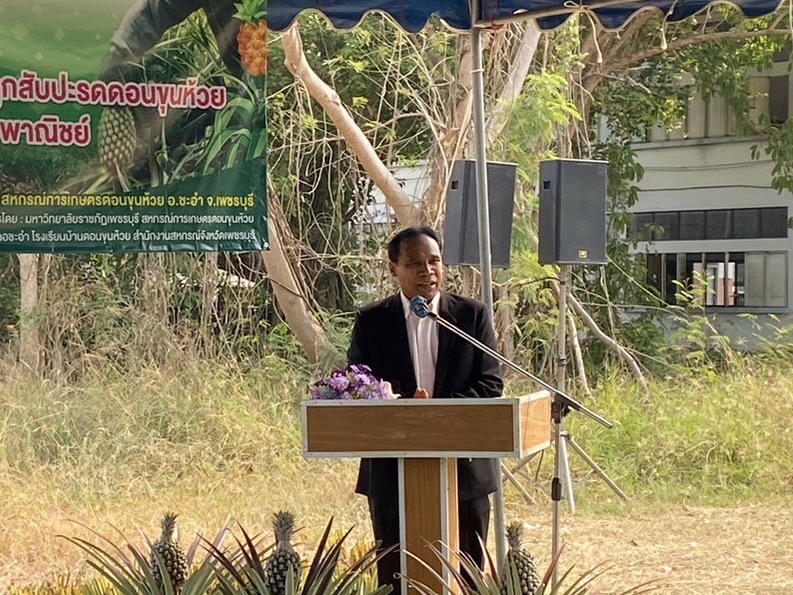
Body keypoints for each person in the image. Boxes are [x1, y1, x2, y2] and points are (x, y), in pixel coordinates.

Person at [347, 226, 503, 595]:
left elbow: (490, 384)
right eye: (415, 264)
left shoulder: (472, 316)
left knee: (468, 578)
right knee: (395, 576)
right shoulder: (372, 322)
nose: (428, 272)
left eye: (434, 262)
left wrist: (433, 416)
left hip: (464, 470)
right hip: (392, 471)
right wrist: (405, 412)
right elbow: (360, 387)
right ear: (393, 269)